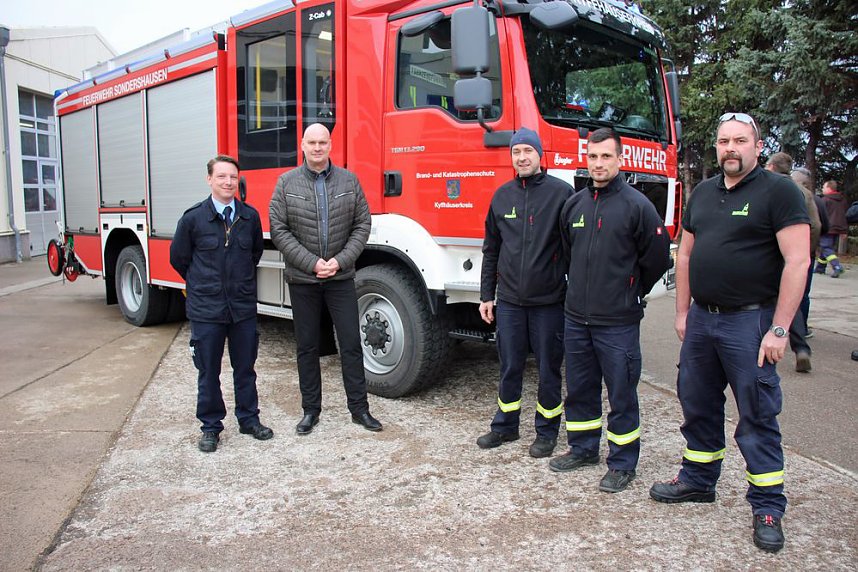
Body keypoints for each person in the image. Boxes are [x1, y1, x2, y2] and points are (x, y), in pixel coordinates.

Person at [649, 113, 809, 553]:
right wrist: (682, 313)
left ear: (758, 146)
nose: (730, 149)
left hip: (751, 322)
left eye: (740, 140)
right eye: (723, 142)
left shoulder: (780, 192)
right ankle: (699, 480)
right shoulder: (702, 192)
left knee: (756, 416)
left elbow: (798, 262)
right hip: (702, 319)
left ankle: (768, 506)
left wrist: (780, 329)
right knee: (697, 404)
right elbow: (684, 255)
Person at [550, 128, 671, 493]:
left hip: (617, 321)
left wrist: (631, 292)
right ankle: (584, 449)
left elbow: (656, 259)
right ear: (585, 159)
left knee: (621, 393)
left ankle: (622, 462)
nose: (599, 164)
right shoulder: (574, 205)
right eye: (593, 157)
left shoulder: (638, 206)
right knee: (581, 389)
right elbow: (568, 254)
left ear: (620, 159)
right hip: (577, 319)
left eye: (606, 157)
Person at [269, 123, 382, 435]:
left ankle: (359, 410)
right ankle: (310, 411)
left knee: (350, 344)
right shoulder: (286, 183)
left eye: (322, 142)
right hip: (303, 279)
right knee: (307, 347)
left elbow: (362, 224)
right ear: (302, 146)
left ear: (331, 145)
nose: (317, 148)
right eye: (312, 143)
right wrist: (312, 263)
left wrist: (339, 261)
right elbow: (278, 229)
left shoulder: (349, 180)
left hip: (341, 277)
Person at [476, 127, 573, 458]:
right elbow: (492, 249)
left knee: (548, 369)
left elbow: (573, 247)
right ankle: (505, 426)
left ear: (539, 154)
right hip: (510, 302)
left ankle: (546, 432)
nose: (522, 157)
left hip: (549, 302)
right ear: (511, 157)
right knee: (510, 366)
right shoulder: (502, 196)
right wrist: (486, 294)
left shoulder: (562, 194)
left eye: (528, 151)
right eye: (516, 152)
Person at [170, 155, 273, 453]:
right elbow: (180, 259)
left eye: (232, 177)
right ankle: (211, 427)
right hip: (206, 310)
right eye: (221, 177)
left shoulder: (249, 217)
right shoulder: (193, 219)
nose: (228, 182)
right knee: (208, 371)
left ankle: (249, 419)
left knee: (245, 368)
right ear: (209, 180)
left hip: (241, 308)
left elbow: (254, 254)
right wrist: (204, 284)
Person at [764, 154, 819, 373]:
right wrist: (806, 250)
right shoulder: (805, 192)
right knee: (793, 298)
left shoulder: (769, 188)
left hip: (773, 254)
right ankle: (801, 348)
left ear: (771, 167)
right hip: (799, 254)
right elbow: (816, 224)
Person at [791, 168, 829, 339]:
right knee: (803, 293)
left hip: (789, 252)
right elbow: (824, 227)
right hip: (808, 252)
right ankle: (802, 330)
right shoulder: (818, 201)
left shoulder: (790, 195)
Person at [816, 180, 848, 277]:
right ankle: (820, 268)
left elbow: (820, 214)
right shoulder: (843, 200)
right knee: (826, 248)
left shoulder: (825, 200)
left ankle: (837, 266)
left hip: (827, 227)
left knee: (826, 247)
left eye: (824, 187)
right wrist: (844, 230)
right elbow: (845, 215)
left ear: (829, 189)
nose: (822, 189)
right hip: (839, 228)